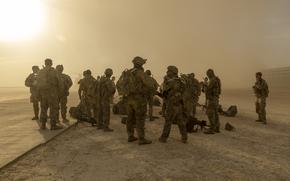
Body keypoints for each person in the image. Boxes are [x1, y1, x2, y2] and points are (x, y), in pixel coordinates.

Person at [117, 56, 155, 145]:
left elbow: (118, 84)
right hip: (139, 99)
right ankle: (141, 139)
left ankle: (130, 136)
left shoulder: (127, 72)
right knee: (140, 118)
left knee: (130, 118)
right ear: (140, 64)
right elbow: (150, 84)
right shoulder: (140, 73)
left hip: (128, 99)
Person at [159, 66, 187, 143]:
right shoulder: (181, 81)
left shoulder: (170, 81)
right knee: (181, 122)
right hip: (179, 104)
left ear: (173, 72)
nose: (167, 72)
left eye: (169, 71)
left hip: (171, 104)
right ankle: (184, 137)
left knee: (168, 121)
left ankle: (163, 138)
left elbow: (163, 92)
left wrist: (165, 81)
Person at [37, 59, 63, 130]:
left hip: (43, 93)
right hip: (52, 93)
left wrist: (38, 94)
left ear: (45, 63)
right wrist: (60, 93)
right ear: (51, 63)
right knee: (53, 109)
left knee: (43, 109)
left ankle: (43, 125)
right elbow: (60, 83)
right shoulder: (54, 71)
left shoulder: (40, 72)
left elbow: (37, 84)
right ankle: (53, 125)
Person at [203, 69, 221, 134]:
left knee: (210, 113)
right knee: (215, 114)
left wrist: (205, 85)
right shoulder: (216, 79)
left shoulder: (213, 80)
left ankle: (212, 129)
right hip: (215, 99)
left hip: (212, 99)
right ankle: (217, 127)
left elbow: (208, 89)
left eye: (208, 74)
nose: (207, 75)